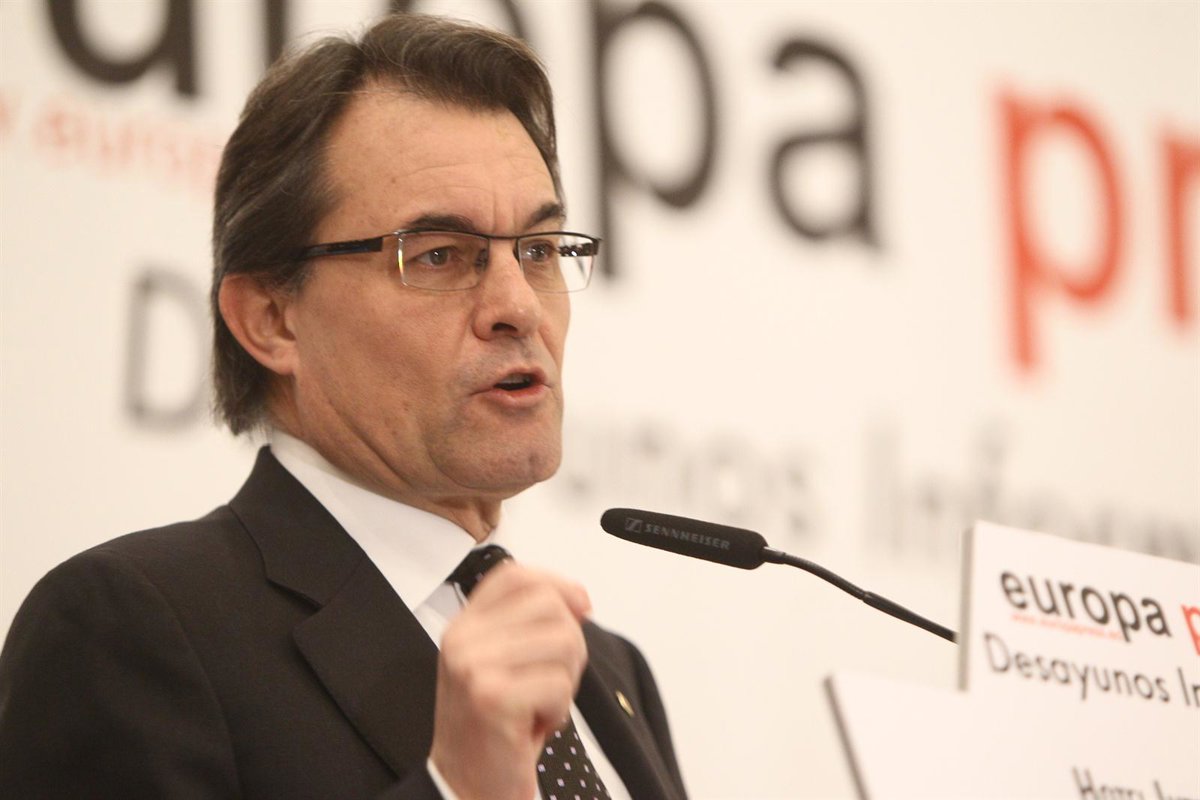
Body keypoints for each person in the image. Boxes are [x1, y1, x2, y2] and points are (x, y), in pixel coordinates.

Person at [0, 13, 687, 800]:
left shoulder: (608, 669)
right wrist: (456, 789)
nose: (518, 307)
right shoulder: (129, 628)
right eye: (439, 255)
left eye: (537, 250)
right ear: (272, 318)